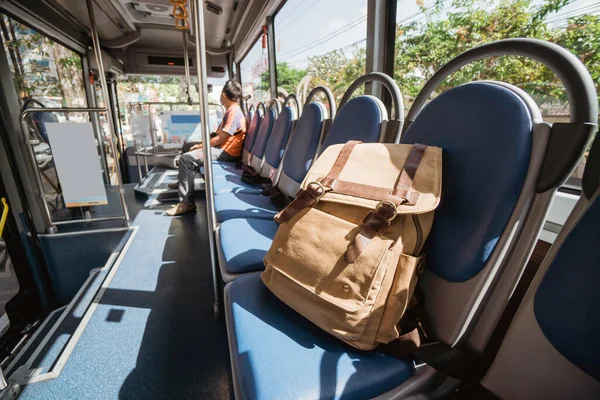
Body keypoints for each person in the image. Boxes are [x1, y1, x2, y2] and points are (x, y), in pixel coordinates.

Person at [166, 80, 246, 216]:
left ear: (224, 95)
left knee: (186, 159)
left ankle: (187, 203)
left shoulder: (233, 113)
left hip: (227, 152)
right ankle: (182, 181)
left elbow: (221, 139)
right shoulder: (230, 110)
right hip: (223, 147)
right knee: (187, 146)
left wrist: (201, 146)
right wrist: (199, 144)